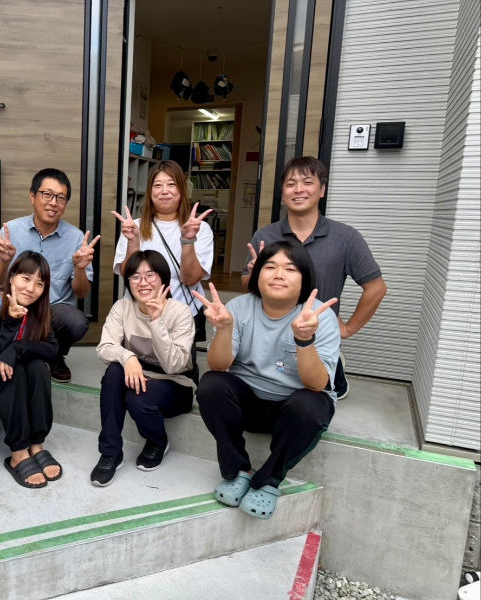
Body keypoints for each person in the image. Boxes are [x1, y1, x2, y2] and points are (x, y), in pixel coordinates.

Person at [194, 241, 340, 520]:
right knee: (211, 385)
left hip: (292, 410)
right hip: (249, 404)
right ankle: (238, 471)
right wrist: (224, 328)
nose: (278, 274)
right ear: (257, 273)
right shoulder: (239, 307)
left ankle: (269, 480)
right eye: (270, 266)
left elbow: (316, 385)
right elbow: (218, 366)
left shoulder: (319, 316)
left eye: (290, 269)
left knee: (311, 406)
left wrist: (304, 339)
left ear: (305, 278)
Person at [242, 156, 386, 400]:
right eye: (291, 184)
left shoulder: (345, 237)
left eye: (307, 182)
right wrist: (256, 275)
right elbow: (247, 287)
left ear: (322, 190)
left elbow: (376, 288)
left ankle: (335, 369)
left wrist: (348, 328)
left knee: (312, 396)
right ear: (283, 193)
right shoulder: (265, 236)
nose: (298, 189)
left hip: (318, 339)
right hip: (271, 339)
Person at [90, 250, 196, 486]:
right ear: (128, 281)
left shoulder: (180, 312)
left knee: (137, 398)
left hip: (175, 383)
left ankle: (158, 442)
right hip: (138, 376)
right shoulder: (122, 307)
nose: (143, 282)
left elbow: (174, 365)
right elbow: (104, 347)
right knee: (114, 372)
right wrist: (128, 357)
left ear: (163, 279)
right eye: (136, 277)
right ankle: (110, 452)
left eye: (150, 275)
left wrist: (156, 321)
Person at [0, 168, 99, 383]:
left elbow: (81, 292)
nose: (53, 203)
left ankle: (55, 355)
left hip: (51, 311)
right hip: (14, 305)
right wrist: (4, 262)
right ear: (32, 196)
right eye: (47, 194)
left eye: (61, 198)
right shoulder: (12, 230)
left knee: (77, 322)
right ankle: (15, 351)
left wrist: (80, 268)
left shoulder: (76, 237)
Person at [0, 251, 61, 488]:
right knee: (14, 368)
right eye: (26, 278)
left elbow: (52, 350)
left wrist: (17, 349)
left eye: (39, 284)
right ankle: (18, 452)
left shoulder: (39, 310)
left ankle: (36, 444)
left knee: (37, 366)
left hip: (15, 386)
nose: (31, 289)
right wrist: (10, 324)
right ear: (11, 277)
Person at [112, 160, 213, 342]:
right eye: (158, 185)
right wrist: (133, 241)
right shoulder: (133, 227)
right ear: (150, 192)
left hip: (182, 315)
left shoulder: (201, 229)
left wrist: (188, 240)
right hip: (140, 314)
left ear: (182, 189)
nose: (164, 191)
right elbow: (128, 276)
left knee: (178, 360)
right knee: (135, 359)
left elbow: (190, 279)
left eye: (171, 184)